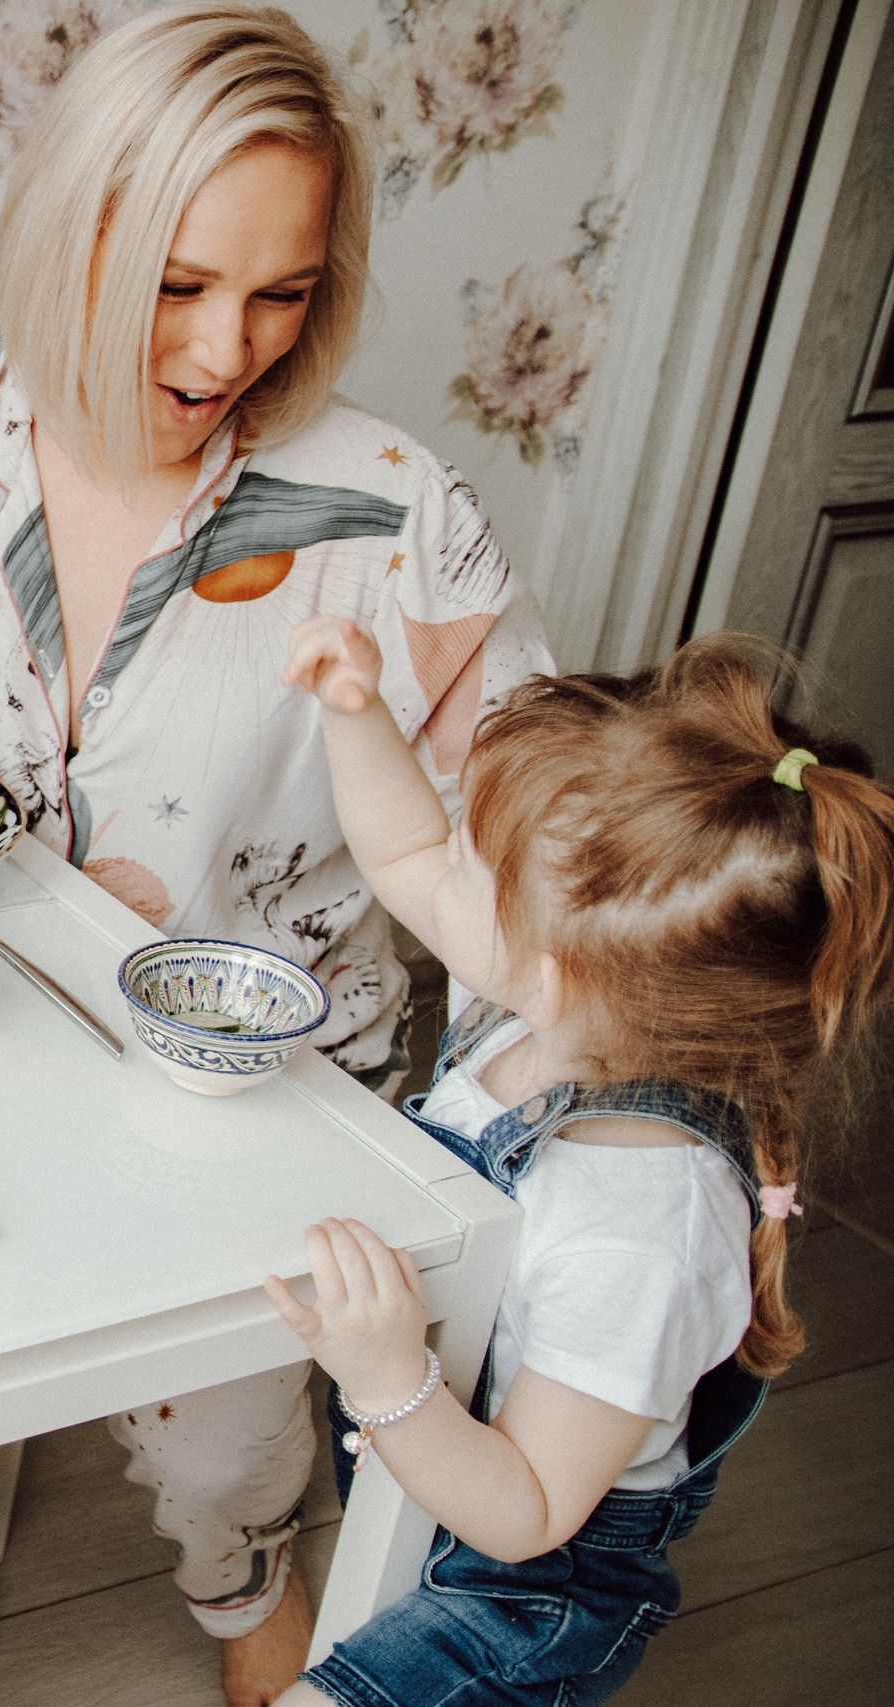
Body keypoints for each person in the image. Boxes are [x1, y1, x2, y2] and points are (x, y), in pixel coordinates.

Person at [0, 7, 551, 1703]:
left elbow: (539, 849)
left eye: (280, 290)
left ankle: (241, 1577)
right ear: (74, 233)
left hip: (255, 1110)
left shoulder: (387, 509)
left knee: (229, 1462)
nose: (229, 348)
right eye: (178, 282)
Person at [267, 625, 894, 1706]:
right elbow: (404, 852)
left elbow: (526, 1510)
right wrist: (354, 716)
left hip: (521, 1590)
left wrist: (379, 1378)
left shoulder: (639, 1230)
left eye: (469, 860)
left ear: (549, 977)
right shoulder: (536, 1008)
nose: (437, 865)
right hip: (431, 1460)